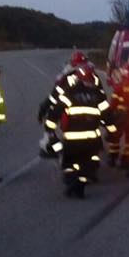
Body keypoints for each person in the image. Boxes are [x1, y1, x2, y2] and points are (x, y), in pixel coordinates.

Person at [44, 63, 115, 198]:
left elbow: (55, 111)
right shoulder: (97, 95)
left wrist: (50, 129)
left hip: (72, 140)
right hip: (92, 141)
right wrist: (112, 131)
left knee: (69, 164)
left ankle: (72, 183)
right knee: (87, 166)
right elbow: (108, 117)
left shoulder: (70, 92)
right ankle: (79, 186)